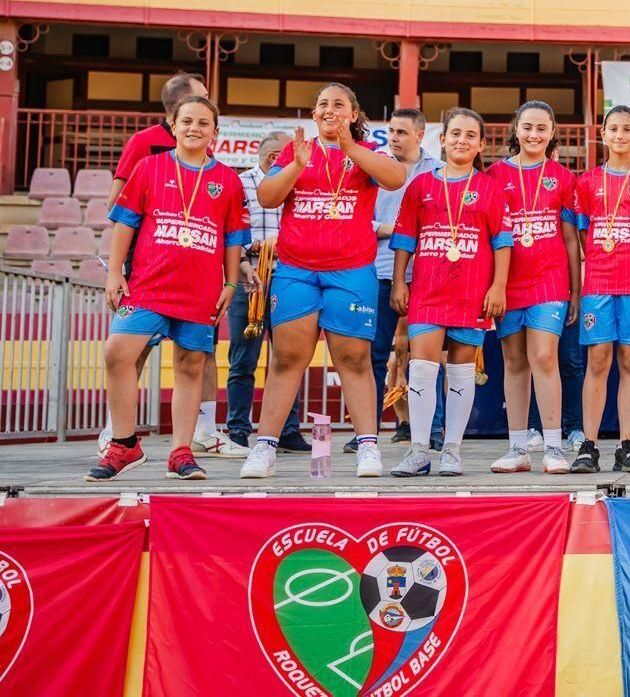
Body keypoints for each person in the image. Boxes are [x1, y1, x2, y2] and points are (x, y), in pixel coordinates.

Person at [241, 83, 407, 478]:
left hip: (351, 270)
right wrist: (296, 165)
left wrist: (350, 148)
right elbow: (266, 197)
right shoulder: (294, 152)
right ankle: (265, 447)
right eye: (322, 105)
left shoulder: (366, 152)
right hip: (297, 269)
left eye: (339, 104)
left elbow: (396, 177)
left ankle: (368, 445)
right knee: (286, 358)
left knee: (353, 358)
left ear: (352, 114)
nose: (330, 110)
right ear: (314, 115)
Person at [88, 95, 246, 481]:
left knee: (191, 365)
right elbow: (124, 223)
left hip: (200, 288)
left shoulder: (227, 179)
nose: (194, 128)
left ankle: (181, 452)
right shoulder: (148, 167)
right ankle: (124, 444)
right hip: (148, 284)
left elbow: (232, 238)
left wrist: (230, 282)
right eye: (187, 121)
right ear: (172, 126)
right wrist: (114, 274)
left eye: (203, 123)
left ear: (215, 132)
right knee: (117, 352)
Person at [388, 109, 511, 476]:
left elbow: (502, 241)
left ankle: (452, 450)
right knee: (422, 367)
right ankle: (419, 450)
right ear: (441, 140)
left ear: (481, 144)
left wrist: (498, 285)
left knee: (460, 372)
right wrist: (399, 281)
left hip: (472, 290)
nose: (462, 140)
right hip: (426, 290)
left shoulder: (489, 187)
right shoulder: (421, 185)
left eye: (470, 135)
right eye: (455, 133)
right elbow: (405, 239)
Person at [569, 105, 630, 475]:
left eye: (628, 129)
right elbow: (583, 236)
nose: (620, 135)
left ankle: (627, 443)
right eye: (614, 129)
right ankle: (589, 445)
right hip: (597, 282)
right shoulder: (587, 182)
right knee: (597, 361)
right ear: (603, 135)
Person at [489, 100, 579, 474]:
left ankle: (554, 446)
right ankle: (518, 447)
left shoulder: (563, 177)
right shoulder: (494, 174)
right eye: (527, 127)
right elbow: (490, 234)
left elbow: (572, 239)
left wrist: (576, 289)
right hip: (508, 282)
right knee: (514, 361)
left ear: (553, 132)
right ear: (516, 129)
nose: (534, 135)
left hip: (550, 279)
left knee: (543, 357)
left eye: (542, 128)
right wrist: (493, 285)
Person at [347, 108, 435, 453]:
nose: (394, 138)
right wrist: (391, 231)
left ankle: (431, 428)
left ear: (419, 135)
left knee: (427, 357)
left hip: (428, 272)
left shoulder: (439, 171)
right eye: (391, 132)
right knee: (373, 353)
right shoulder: (374, 168)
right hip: (382, 269)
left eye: (401, 132)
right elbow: (359, 217)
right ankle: (365, 432)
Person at [225, 131, 308, 453]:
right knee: (243, 359)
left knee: (289, 356)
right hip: (250, 275)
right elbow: (232, 227)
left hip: (289, 276)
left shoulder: (298, 179)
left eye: (282, 153)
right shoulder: (241, 182)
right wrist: (250, 254)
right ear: (261, 152)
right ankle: (237, 429)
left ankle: (288, 430)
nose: (276, 158)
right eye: (272, 153)